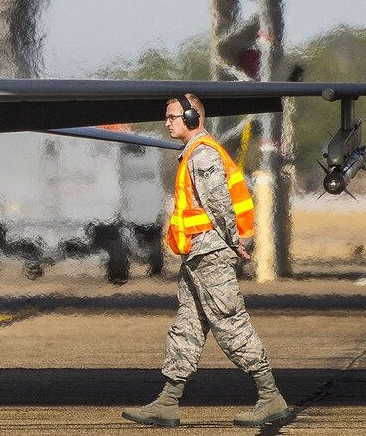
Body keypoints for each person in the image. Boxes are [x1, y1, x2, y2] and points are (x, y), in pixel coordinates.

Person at [122, 94, 292, 428]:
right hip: (197, 255)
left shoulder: (203, 155)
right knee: (187, 325)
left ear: (190, 117)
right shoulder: (193, 154)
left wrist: (234, 241)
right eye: (167, 117)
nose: (167, 122)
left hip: (211, 253)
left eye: (172, 117)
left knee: (230, 322)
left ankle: (270, 396)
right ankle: (167, 402)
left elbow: (219, 203)